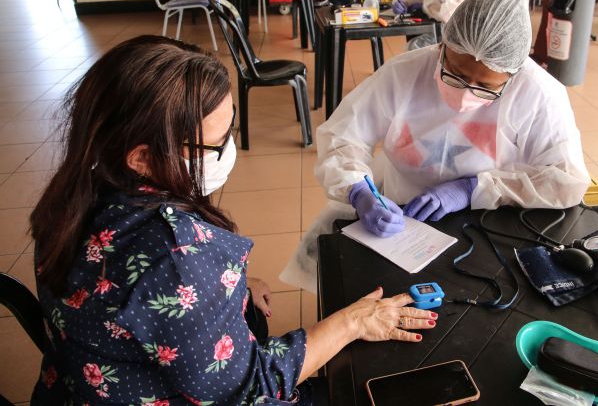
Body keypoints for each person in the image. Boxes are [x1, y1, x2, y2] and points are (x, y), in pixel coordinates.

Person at [29, 36, 437, 404]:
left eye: (231, 128)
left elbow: (146, 302)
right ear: (141, 158)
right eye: (214, 143)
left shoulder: (74, 196)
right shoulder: (178, 259)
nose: (228, 150)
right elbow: (249, 388)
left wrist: (227, 288)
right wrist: (352, 321)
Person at [281, 0, 590, 293]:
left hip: (490, 220)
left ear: (513, 72)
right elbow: (343, 136)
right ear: (443, 46)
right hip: (402, 215)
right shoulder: (405, 74)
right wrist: (360, 192)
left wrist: (475, 187)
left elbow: (566, 180)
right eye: (454, 73)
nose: (465, 94)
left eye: (485, 87)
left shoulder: (539, 95)